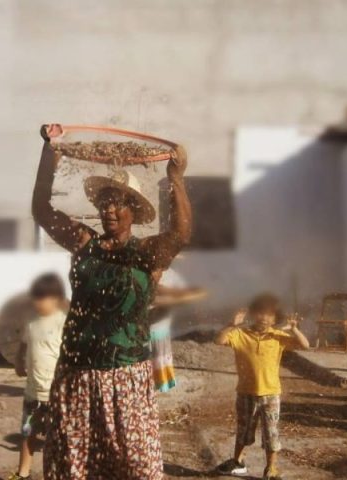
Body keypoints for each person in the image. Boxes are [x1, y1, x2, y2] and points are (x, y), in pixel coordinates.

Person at [32, 124, 192, 480]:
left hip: (126, 377)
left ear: (134, 211)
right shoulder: (84, 243)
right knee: (74, 468)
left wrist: (177, 178)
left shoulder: (148, 254)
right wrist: (49, 155)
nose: (111, 211)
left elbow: (181, 234)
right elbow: (42, 211)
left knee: (137, 468)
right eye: (105, 203)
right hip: (77, 373)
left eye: (120, 204)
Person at [214, 294, 309, 480]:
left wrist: (295, 329)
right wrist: (232, 324)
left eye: (269, 315)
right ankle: (238, 461)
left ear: (275, 318)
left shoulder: (278, 337)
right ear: (252, 314)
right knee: (243, 430)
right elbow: (219, 340)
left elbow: (305, 345)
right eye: (260, 313)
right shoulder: (240, 334)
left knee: (271, 433)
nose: (264, 318)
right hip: (245, 393)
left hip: (271, 394)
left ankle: (271, 468)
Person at [9, 273, 67, 480]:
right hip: (32, 393)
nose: (38, 302)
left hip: (55, 394)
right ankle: (22, 473)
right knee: (27, 434)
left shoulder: (62, 322)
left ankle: (55, 474)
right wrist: (18, 360)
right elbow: (24, 343)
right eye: (36, 298)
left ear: (56, 299)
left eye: (43, 298)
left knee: (56, 439)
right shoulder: (31, 321)